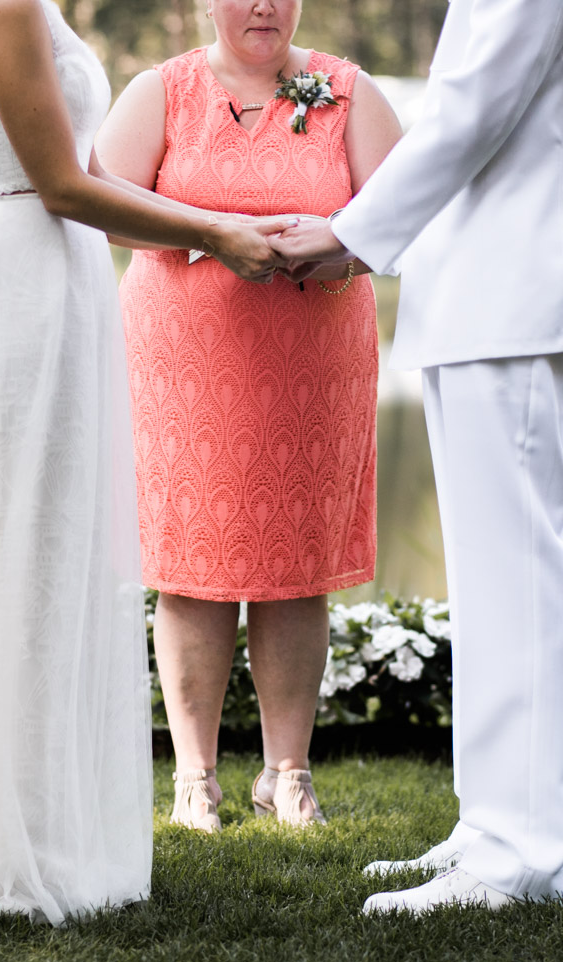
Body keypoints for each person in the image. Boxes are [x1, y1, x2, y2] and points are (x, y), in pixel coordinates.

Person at [0, 0, 287, 925]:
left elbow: (85, 175)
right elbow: (63, 187)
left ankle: (44, 821)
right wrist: (214, 233)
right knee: (14, 563)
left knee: (57, 563)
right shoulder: (1, 8)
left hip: (65, 283)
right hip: (20, 289)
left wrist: (217, 224)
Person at [273, 0, 563, 913]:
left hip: (514, 279)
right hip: (483, 282)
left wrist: (351, 231)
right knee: (487, 577)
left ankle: (524, 856)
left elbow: (479, 101)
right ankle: (492, 824)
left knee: (516, 574)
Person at [94, 0, 402, 831]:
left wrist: (332, 239)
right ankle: (195, 779)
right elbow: (98, 202)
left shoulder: (345, 90)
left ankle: (287, 772)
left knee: (296, 565)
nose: (262, 2)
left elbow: (404, 218)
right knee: (192, 565)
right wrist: (210, 229)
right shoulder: (161, 91)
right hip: (184, 369)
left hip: (312, 366)